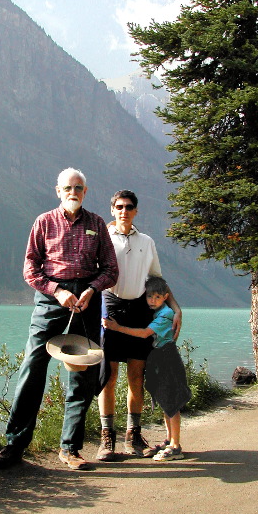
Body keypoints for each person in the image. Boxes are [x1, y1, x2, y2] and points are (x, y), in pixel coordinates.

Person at [0, 168, 118, 471]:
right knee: (33, 366)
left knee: (84, 373)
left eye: (79, 187)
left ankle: (70, 449)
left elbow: (111, 269)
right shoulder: (43, 222)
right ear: (58, 191)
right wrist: (57, 291)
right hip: (51, 301)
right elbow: (30, 269)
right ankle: (14, 445)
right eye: (68, 187)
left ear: (86, 191)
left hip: (87, 299)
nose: (73, 192)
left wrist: (91, 290)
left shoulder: (98, 224)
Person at [96, 190, 182, 462]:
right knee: (108, 378)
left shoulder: (146, 241)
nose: (124, 211)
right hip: (110, 306)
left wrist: (175, 307)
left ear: (136, 211)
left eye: (129, 207)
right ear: (112, 210)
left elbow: (156, 278)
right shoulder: (103, 238)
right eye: (119, 206)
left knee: (136, 376)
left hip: (139, 310)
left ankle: (133, 434)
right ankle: (106, 437)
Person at [102, 275, 191, 461]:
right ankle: (169, 440)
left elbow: (144, 333)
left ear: (164, 297)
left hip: (162, 354)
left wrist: (177, 310)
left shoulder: (164, 314)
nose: (153, 300)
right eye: (150, 296)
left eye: (157, 297)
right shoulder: (158, 312)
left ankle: (170, 444)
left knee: (165, 396)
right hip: (156, 353)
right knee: (164, 398)